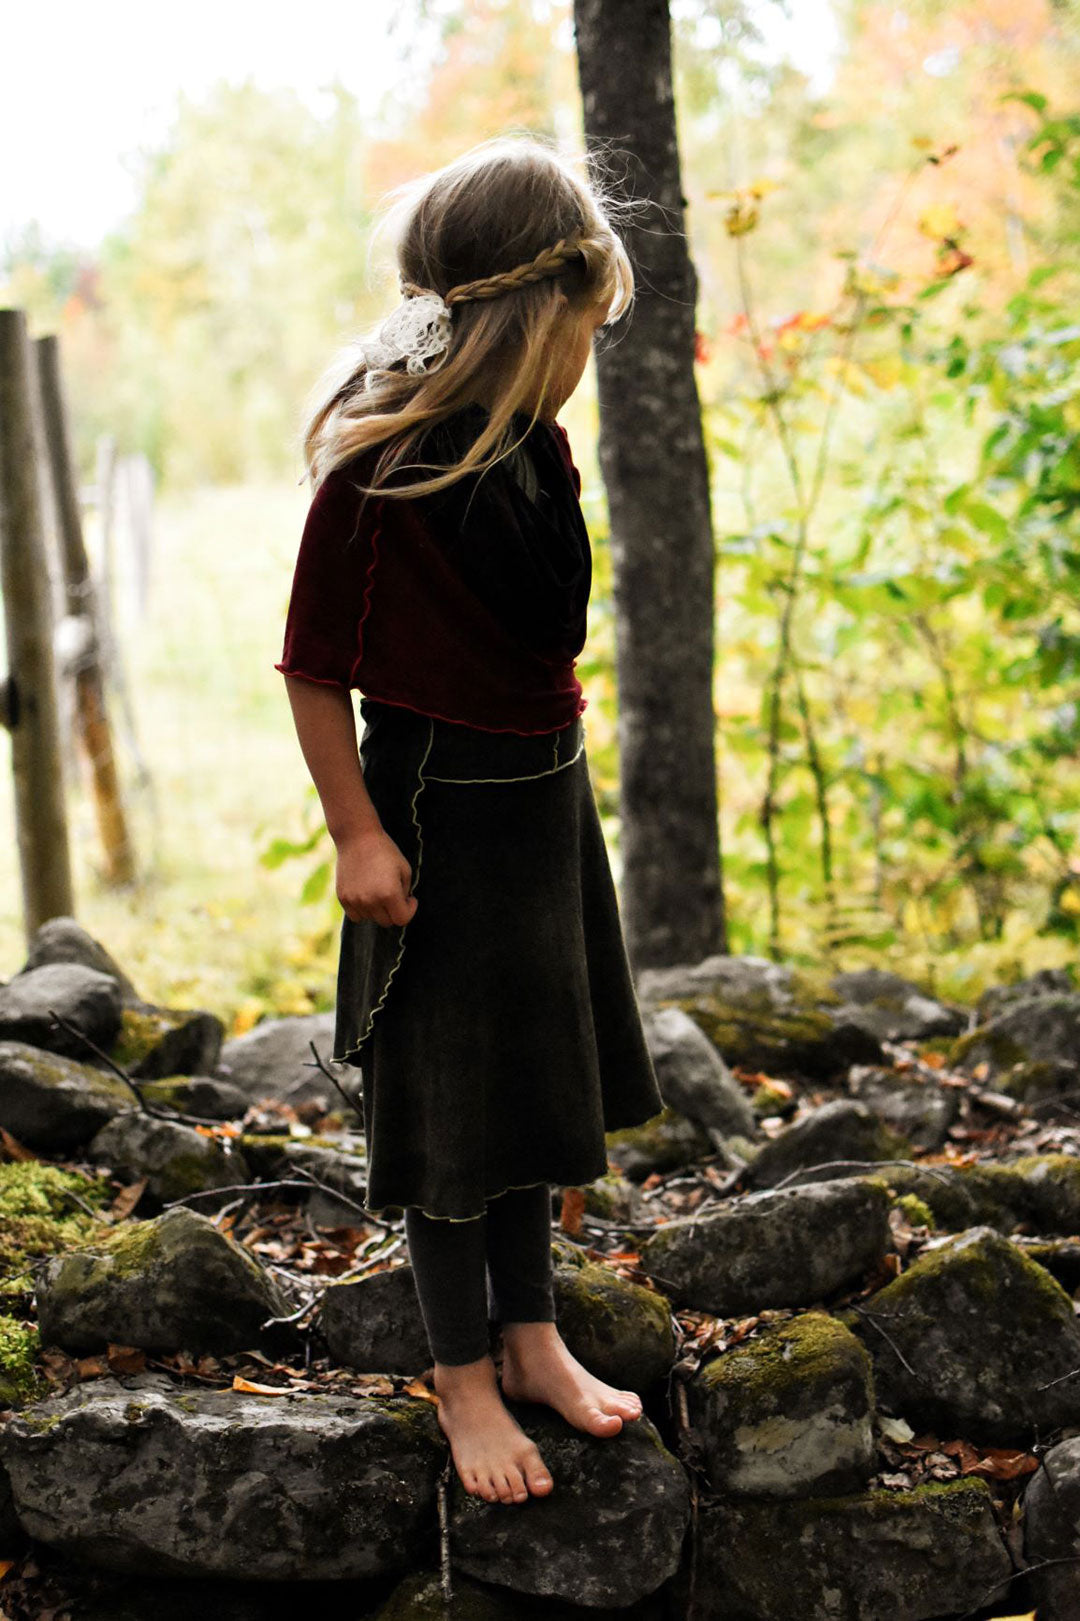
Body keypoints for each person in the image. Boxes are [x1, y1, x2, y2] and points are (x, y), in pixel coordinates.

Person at [275, 134, 665, 1508]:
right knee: (450, 1109)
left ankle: (534, 1331)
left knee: (532, 1084)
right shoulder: (381, 475)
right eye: (581, 327)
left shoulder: (538, 451)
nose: (585, 354)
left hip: (540, 811)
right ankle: (461, 1375)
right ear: (522, 315)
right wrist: (354, 836)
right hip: (433, 814)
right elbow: (316, 669)